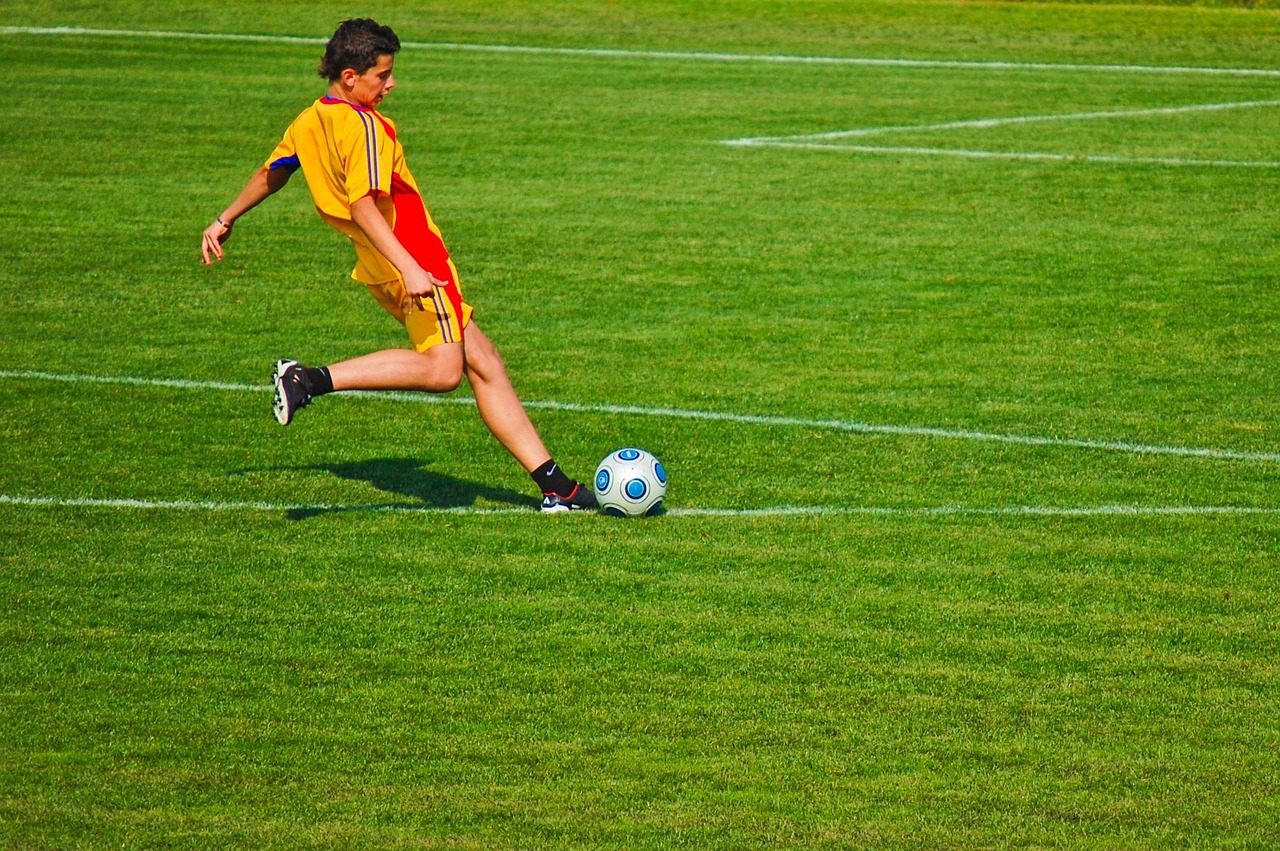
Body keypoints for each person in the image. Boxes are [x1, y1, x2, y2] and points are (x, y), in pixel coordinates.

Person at [200, 17, 596, 512]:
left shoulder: (309, 120)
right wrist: (411, 267)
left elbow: (273, 171)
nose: (391, 84)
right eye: (382, 75)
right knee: (444, 371)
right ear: (350, 77)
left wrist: (225, 217)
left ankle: (558, 488)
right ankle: (309, 378)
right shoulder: (366, 126)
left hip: (378, 262)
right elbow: (363, 203)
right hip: (414, 260)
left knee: (486, 363)